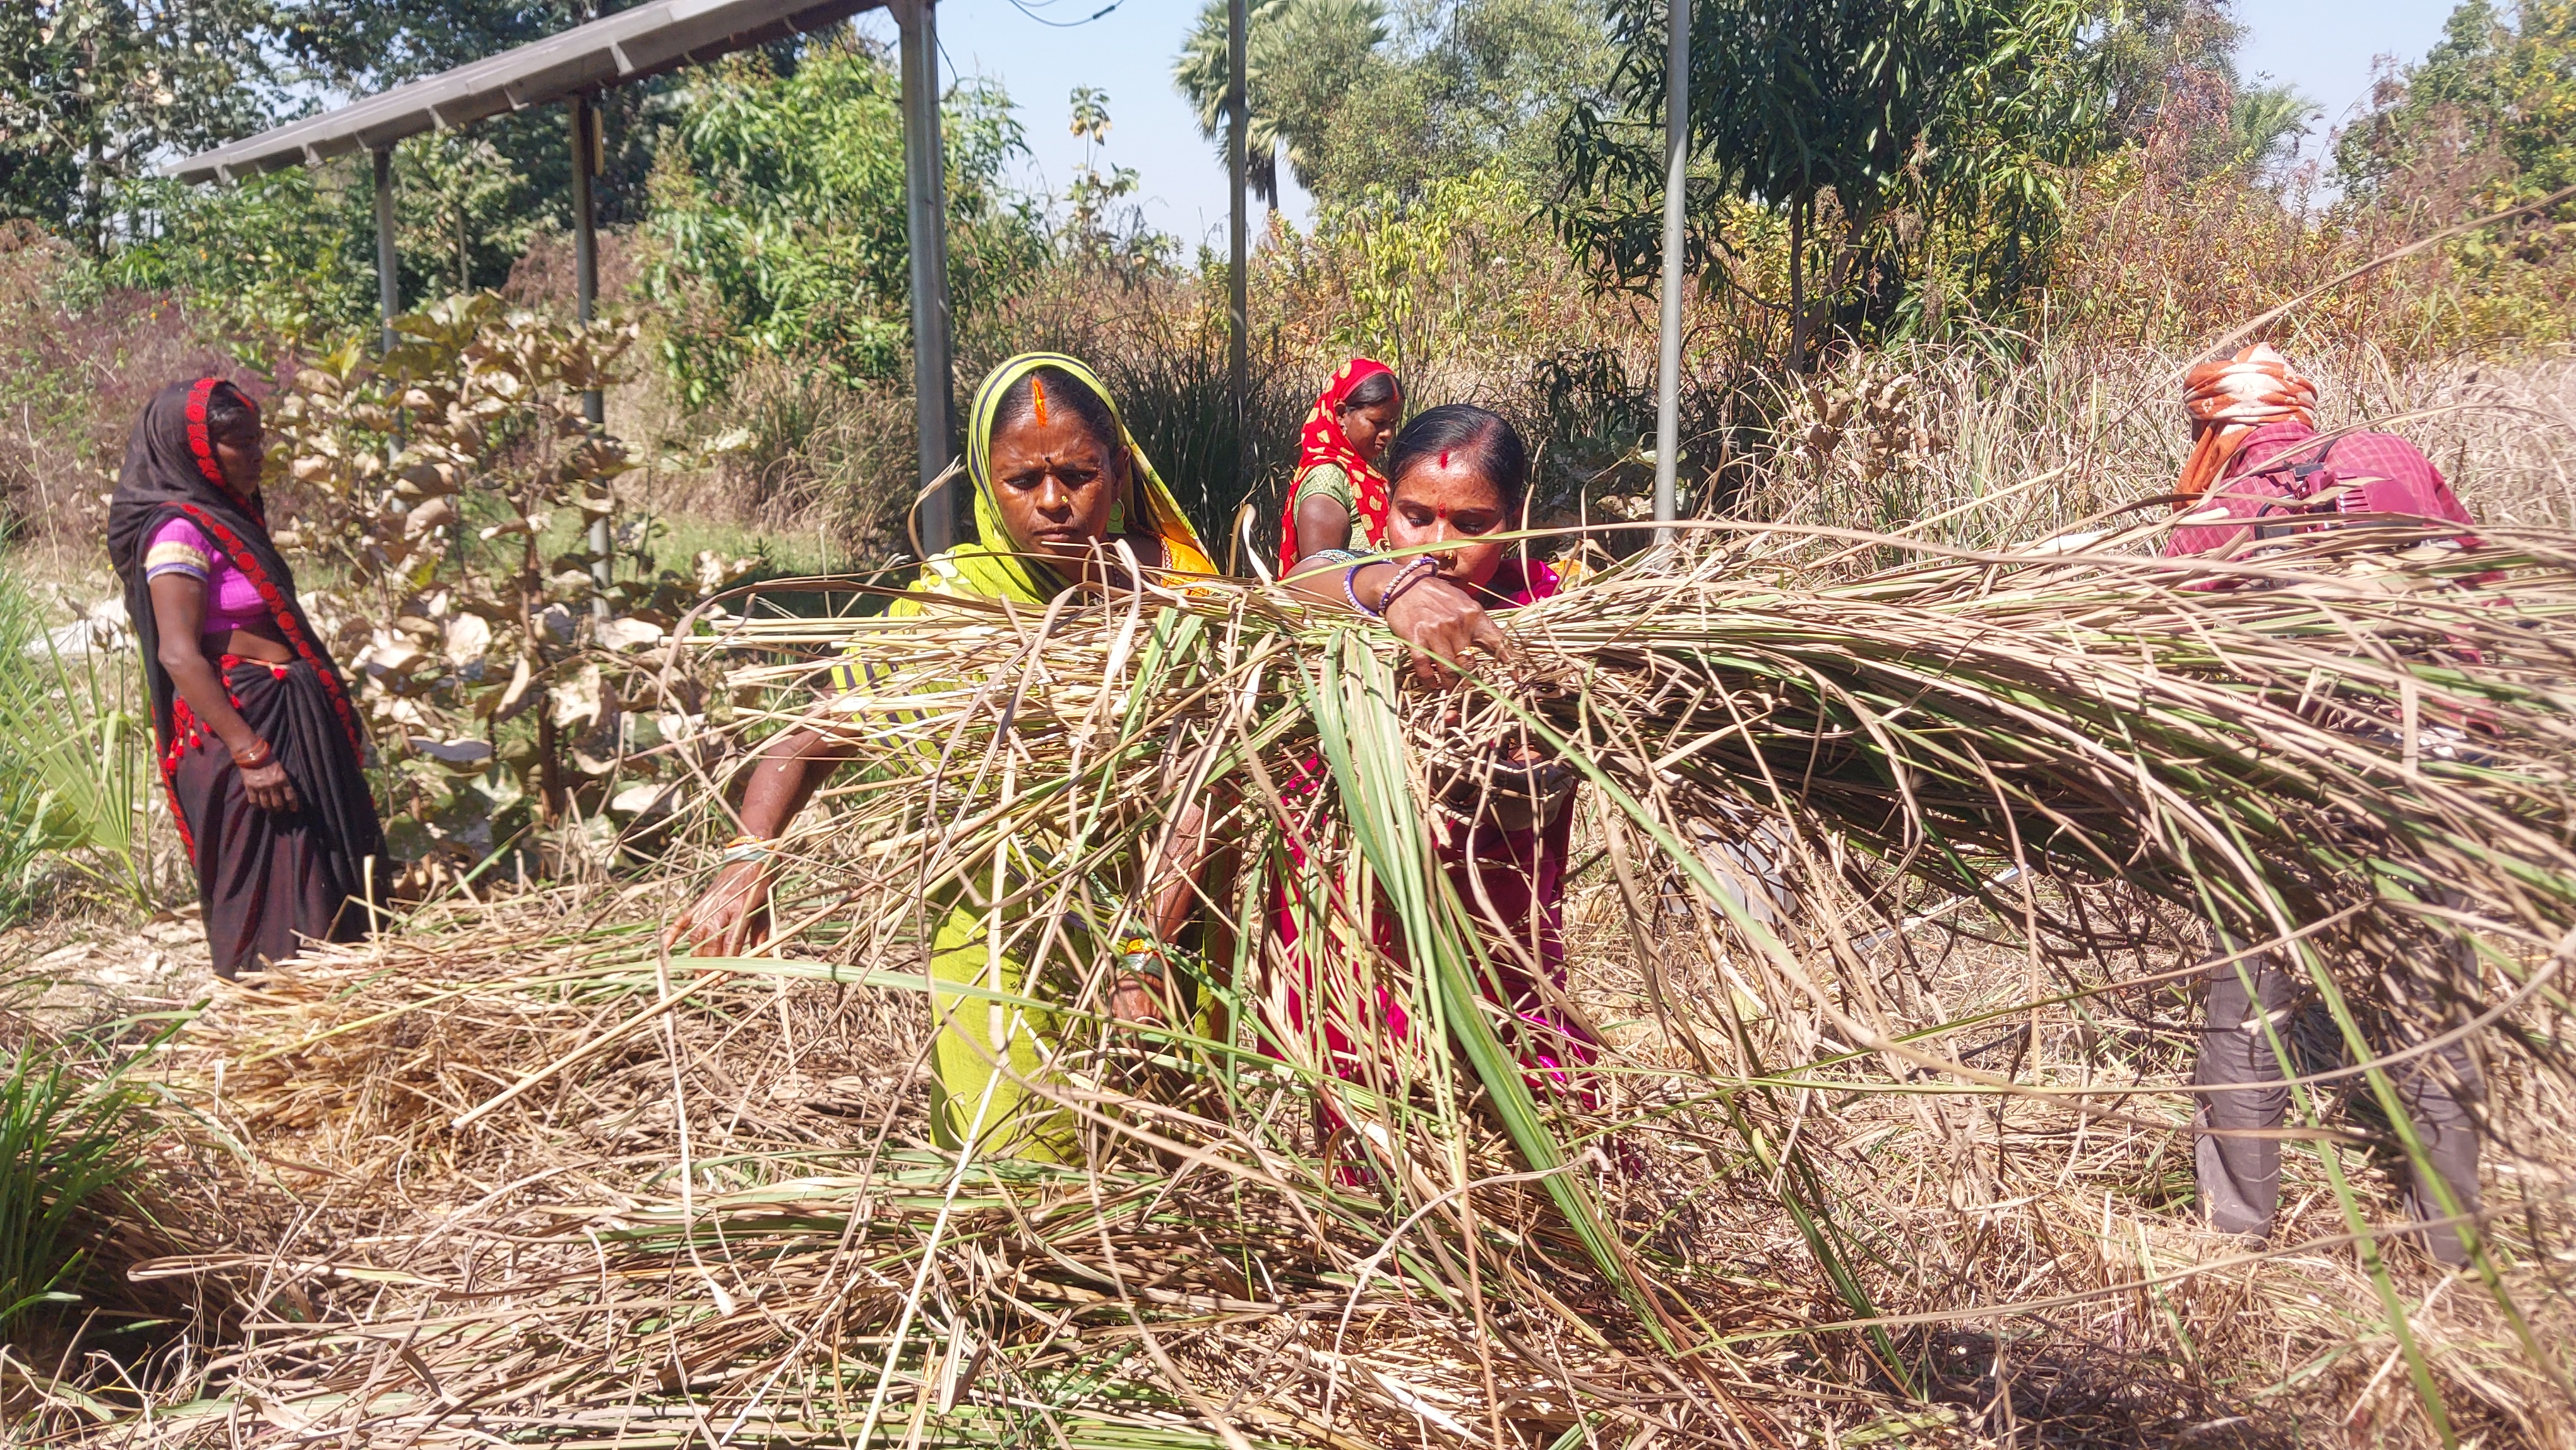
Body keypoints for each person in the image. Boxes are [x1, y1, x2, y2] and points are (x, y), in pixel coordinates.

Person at [667, 354, 1217, 1160]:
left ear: (1122, 471)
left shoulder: (1184, 598)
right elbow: (806, 741)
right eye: (1024, 481)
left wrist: (1141, 949)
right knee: (1017, 1184)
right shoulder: (951, 609)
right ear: (988, 489)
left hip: (1158, 945)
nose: (1055, 502)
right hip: (999, 945)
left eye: (1078, 473)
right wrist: (748, 862)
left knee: (1161, 1188)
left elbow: (1206, 783)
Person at [2167, 344, 2486, 1264]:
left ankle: (2235, 1236)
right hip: (2427, 762)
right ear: (2298, 411)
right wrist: (2475, 741)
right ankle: (2452, 1246)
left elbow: (2174, 668)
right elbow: (2479, 590)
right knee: (2432, 992)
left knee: (2250, 995)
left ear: (2212, 425)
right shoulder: (2395, 458)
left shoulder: (2218, 509)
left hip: (2277, 780)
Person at [1277, 404, 1595, 1127]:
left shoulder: (1555, 614)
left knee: (1546, 1141)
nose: (1439, 546)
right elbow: (1303, 576)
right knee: (1378, 1142)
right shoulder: (1361, 592)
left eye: (1473, 524)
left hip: (1504, 940)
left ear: (1517, 518)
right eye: (1415, 516)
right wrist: (1395, 591)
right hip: (1371, 941)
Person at [106, 378, 388, 979]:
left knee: (324, 870)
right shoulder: (177, 531)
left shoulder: (230, 520)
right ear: (193, 452)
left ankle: (345, 1007)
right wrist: (250, 751)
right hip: (246, 725)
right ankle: (279, 1014)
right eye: (239, 444)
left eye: (259, 440)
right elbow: (180, 656)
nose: (257, 454)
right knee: (273, 883)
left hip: (287, 712)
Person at [1277, 358, 1404, 574]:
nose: (1388, 434)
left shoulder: (1364, 473)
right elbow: (1318, 579)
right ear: (1341, 414)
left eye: (1393, 424)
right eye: (1378, 422)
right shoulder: (1327, 479)